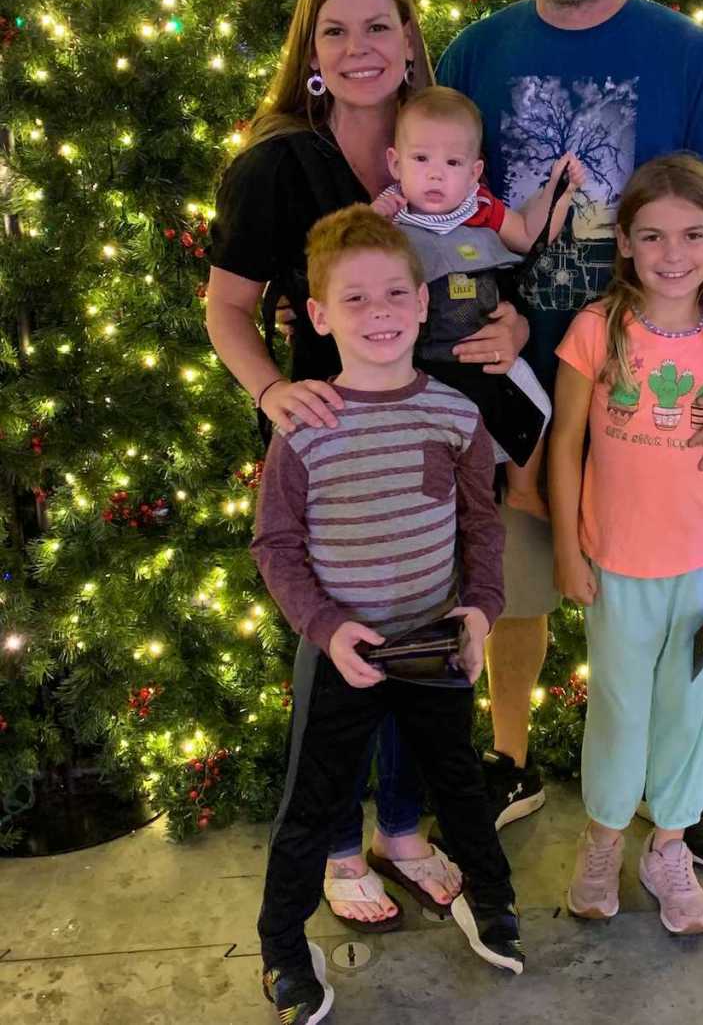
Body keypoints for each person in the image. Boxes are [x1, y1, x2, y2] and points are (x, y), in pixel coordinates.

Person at [434, 0, 703, 855]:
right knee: (519, 595)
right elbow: (447, 213)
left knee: (668, 595)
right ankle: (509, 760)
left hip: (659, 405)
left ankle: (662, 789)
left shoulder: (686, 55)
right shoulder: (476, 53)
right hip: (523, 393)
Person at [207, 0, 527, 929]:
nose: (357, 47)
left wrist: (516, 330)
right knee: (341, 649)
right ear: (310, 51)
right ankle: (340, 844)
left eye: (377, 26)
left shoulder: (446, 145)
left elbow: (498, 266)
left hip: (438, 440)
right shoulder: (274, 162)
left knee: (421, 641)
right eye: (334, 30)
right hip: (335, 443)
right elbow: (226, 306)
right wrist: (270, 391)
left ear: (409, 40)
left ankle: (401, 830)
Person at [254, 207, 524, 1024]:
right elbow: (275, 544)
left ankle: (494, 899)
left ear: (420, 304)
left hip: (436, 643)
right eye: (356, 299)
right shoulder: (305, 427)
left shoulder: (454, 415)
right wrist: (328, 629)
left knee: (461, 786)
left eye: (394, 294)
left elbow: (480, 525)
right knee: (312, 801)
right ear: (323, 314)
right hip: (344, 652)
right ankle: (281, 948)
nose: (378, 313)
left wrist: (479, 611)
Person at [550, 154, 703, 932]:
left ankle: (670, 848)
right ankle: (603, 837)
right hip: (615, 567)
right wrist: (566, 547)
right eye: (652, 236)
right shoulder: (596, 331)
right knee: (618, 709)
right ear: (624, 241)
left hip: (698, 571)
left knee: (687, 712)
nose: (673, 254)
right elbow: (565, 447)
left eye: (692, 235)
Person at [372, 86, 584, 516]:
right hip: (417, 360)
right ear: (395, 162)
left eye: (452, 163)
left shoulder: (481, 207)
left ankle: (523, 489)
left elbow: (529, 235)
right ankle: (436, 509)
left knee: (535, 405)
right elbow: (346, 259)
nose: (436, 175)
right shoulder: (386, 219)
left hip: (486, 348)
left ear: (474, 172)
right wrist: (371, 221)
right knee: (427, 435)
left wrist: (557, 194)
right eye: (421, 159)